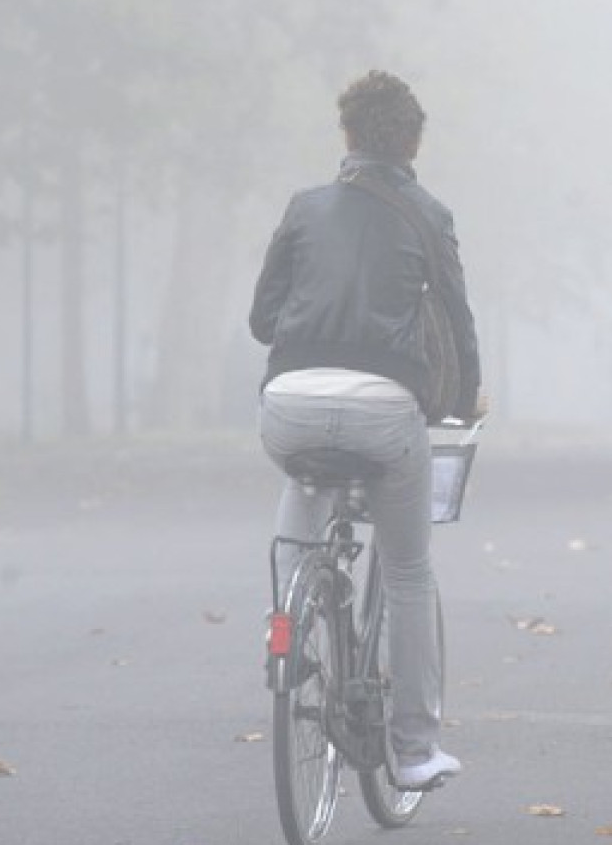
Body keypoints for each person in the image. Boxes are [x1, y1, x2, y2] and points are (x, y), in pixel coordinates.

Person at [248, 70, 481, 790]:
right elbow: (458, 322)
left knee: (302, 484)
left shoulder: (303, 206)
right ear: (412, 143)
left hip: (288, 407)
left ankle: (287, 634)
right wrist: (466, 398)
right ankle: (413, 752)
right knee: (409, 570)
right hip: (386, 412)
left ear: (346, 136)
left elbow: (262, 321)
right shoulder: (429, 215)